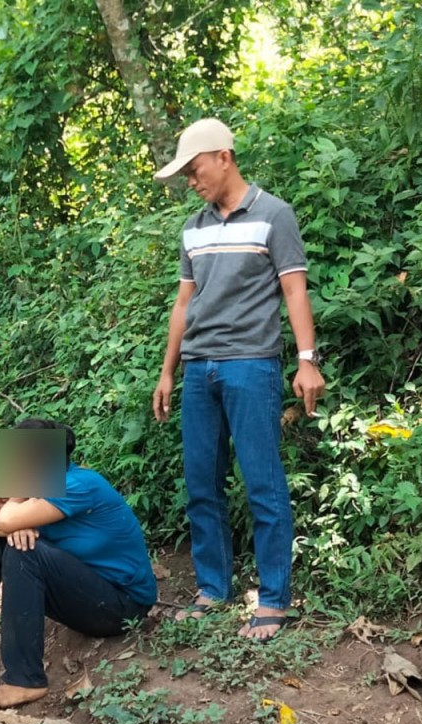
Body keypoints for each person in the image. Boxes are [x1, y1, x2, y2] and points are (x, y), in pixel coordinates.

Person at [150, 118, 326, 641]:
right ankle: (213, 589)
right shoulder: (194, 228)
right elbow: (184, 303)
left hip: (252, 363)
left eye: (194, 168)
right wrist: (168, 371)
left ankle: (273, 599)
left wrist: (307, 359)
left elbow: (294, 291)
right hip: (199, 368)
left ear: (223, 156)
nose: (191, 181)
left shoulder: (275, 215)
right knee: (202, 480)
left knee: (262, 480)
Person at [0, 419, 158, 708]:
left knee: (23, 550)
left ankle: (24, 680)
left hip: (122, 605)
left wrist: (14, 504)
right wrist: (12, 523)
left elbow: (4, 519)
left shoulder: (77, 484)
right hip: (83, 592)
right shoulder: (38, 489)